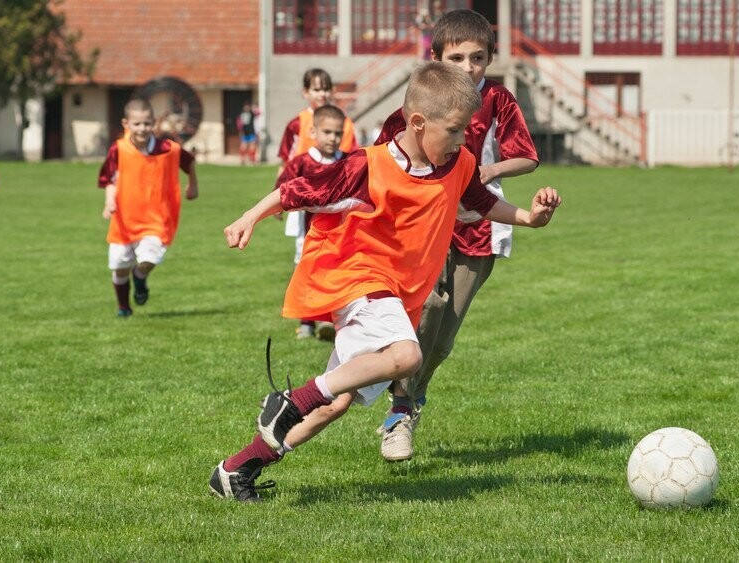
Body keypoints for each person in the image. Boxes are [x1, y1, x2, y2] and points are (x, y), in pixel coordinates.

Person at [208, 62, 561, 502]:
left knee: (336, 403)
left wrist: (530, 217)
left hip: (395, 297)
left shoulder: (460, 163)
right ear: (417, 122)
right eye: (453, 131)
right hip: (357, 276)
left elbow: (481, 202)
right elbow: (300, 190)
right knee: (406, 355)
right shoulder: (368, 165)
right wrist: (248, 217)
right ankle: (290, 402)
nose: (460, 140)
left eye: (465, 131)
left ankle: (236, 469)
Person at [374, 9, 541, 461]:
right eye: (457, 58)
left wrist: (485, 170)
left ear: (489, 58)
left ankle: (411, 399)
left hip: (481, 221)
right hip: (426, 221)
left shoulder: (500, 100)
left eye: (477, 58)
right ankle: (399, 407)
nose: (468, 68)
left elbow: (527, 156)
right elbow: (382, 160)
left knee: (444, 338)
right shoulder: (417, 103)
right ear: (435, 58)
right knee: (428, 305)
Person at [98, 98, 199, 317]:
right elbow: (109, 179)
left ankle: (141, 276)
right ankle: (124, 307)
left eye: (146, 123)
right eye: (137, 124)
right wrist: (109, 201)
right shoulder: (119, 149)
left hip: (157, 218)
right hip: (124, 219)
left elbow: (189, 161)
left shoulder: (168, 149)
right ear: (126, 124)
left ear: (153, 123)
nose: (142, 128)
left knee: (149, 260)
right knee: (119, 266)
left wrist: (193, 185)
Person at [277, 104, 350, 340]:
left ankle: (332, 321)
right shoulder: (302, 162)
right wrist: (276, 209)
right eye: (327, 132)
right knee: (308, 271)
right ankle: (306, 322)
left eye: (338, 133)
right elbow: (283, 187)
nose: (333, 138)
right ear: (313, 133)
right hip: (309, 229)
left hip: (342, 230)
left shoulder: (349, 161)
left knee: (337, 273)